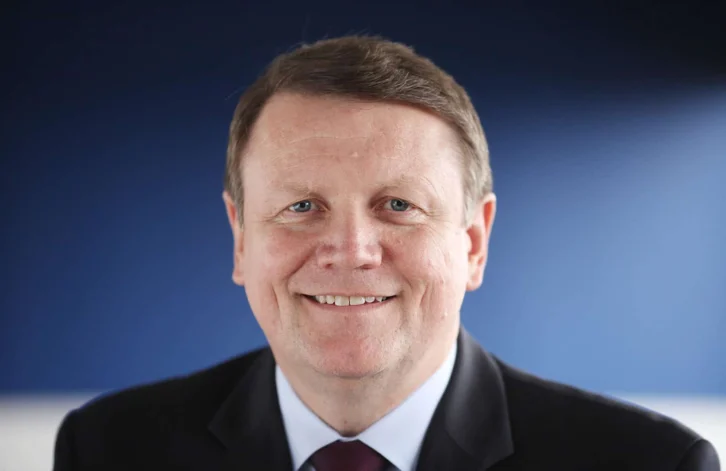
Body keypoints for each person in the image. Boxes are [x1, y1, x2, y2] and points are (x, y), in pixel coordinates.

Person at [53, 35, 720, 471]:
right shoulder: (110, 449)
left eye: (398, 205)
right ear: (241, 238)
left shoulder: (649, 463)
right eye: (301, 206)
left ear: (473, 242)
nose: (350, 252)